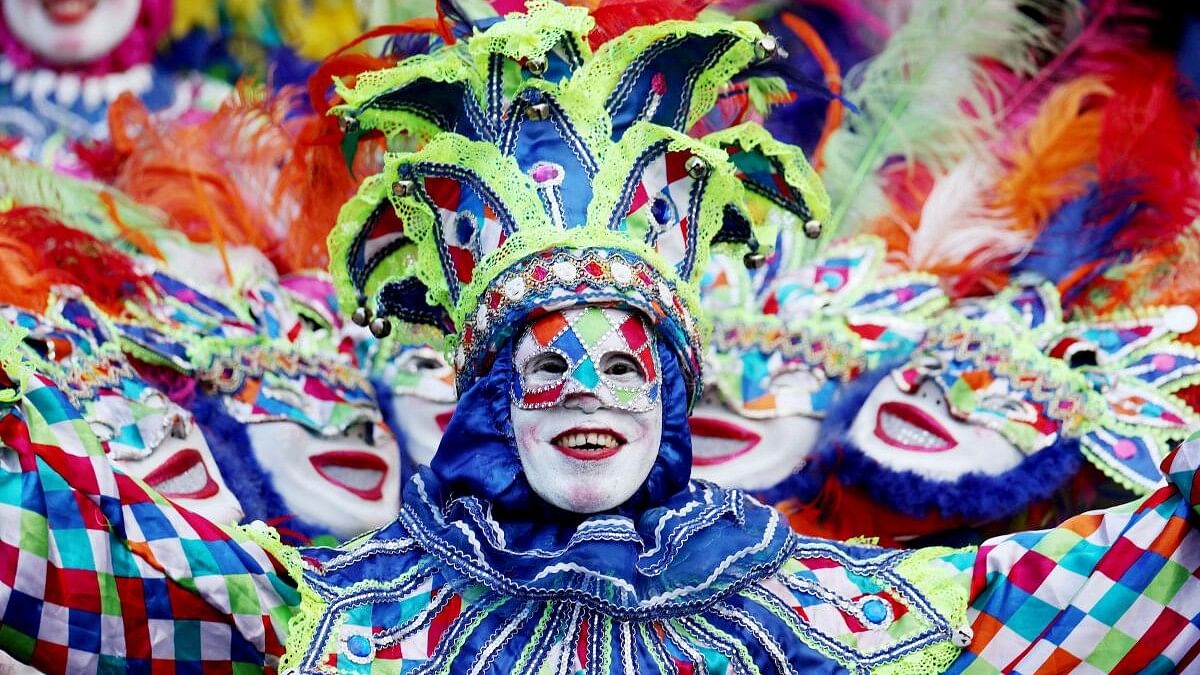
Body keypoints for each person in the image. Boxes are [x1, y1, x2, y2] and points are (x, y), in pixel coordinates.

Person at [3, 4, 1200, 673]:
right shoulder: (357, 618)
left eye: (627, 365)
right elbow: (105, 571)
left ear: (675, 403)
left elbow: (1049, 604)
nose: (590, 392)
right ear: (492, 405)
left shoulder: (816, 610)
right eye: (548, 364)